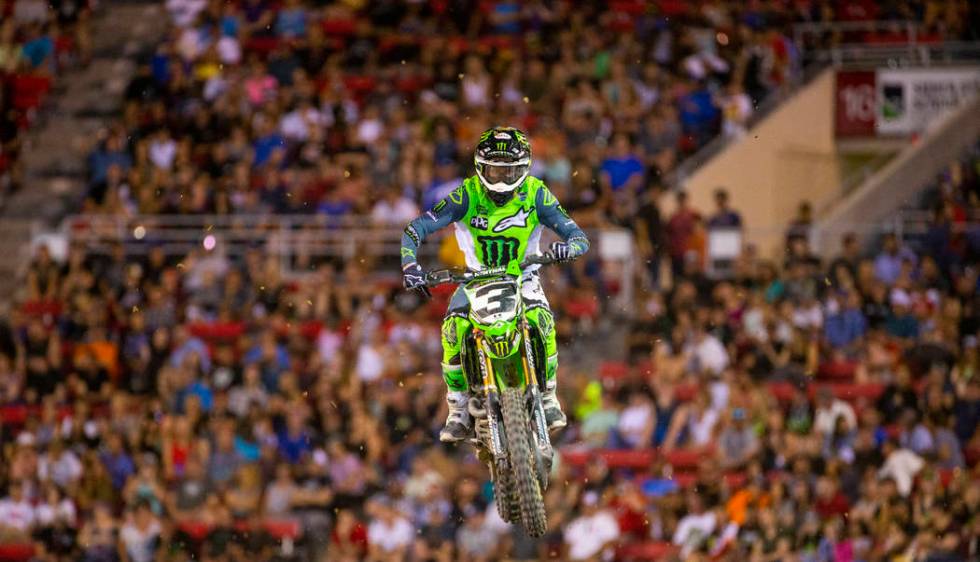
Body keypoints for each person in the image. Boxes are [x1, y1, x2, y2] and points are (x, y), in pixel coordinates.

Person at [401, 127, 590, 442]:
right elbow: (415, 228)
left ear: (524, 168)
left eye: (509, 171)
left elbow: (578, 236)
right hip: (475, 279)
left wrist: (568, 248)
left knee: (542, 320)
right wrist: (410, 265)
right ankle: (458, 408)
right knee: (452, 330)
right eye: (494, 170)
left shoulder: (536, 193)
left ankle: (549, 396)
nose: (501, 179)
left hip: (523, 276)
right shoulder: (466, 194)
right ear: (479, 166)